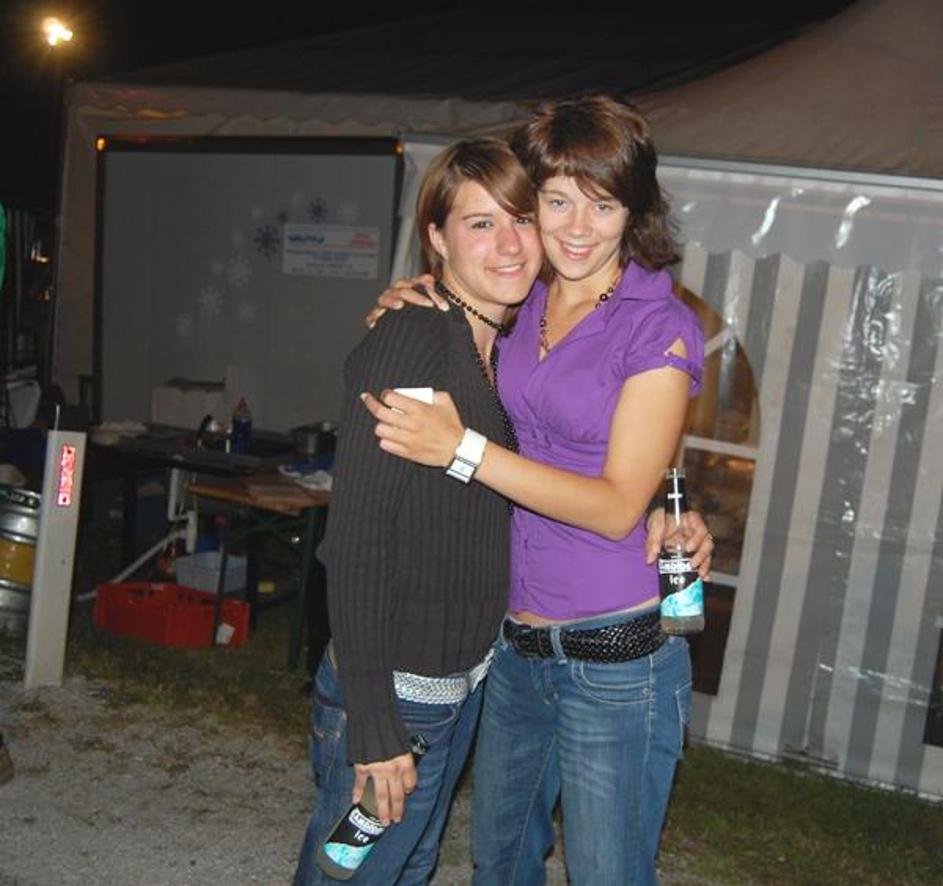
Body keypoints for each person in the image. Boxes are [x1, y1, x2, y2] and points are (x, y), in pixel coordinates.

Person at [362, 95, 705, 884]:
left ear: (634, 211)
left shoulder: (657, 327)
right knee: (499, 861)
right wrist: (408, 296)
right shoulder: (525, 297)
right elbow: (460, 303)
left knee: (605, 871)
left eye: (603, 205)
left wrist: (463, 450)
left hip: (615, 659)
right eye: (556, 202)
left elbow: (616, 505)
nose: (577, 228)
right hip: (512, 649)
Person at [291, 138, 544, 885]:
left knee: (410, 867)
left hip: (455, 684)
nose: (509, 244)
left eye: (522, 219)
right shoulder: (414, 339)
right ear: (436, 237)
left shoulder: (500, 345)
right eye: (480, 224)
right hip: (396, 691)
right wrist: (374, 728)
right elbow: (356, 542)